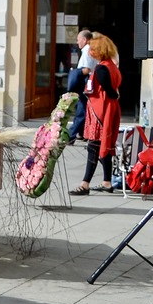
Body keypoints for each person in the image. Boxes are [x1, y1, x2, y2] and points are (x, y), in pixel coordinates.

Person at [71, 33, 122, 196]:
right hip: (108, 109)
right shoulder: (111, 66)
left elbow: (109, 90)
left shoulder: (101, 68)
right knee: (102, 145)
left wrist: (112, 96)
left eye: (93, 49)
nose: (90, 51)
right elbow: (114, 91)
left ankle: (85, 184)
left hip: (100, 111)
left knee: (93, 146)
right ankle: (107, 181)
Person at [66, 29, 94, 141]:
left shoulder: (87, 50)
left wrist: (75, 73)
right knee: (82, 107)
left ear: (84, 39)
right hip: (86, 82)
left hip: (85, 82)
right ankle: (82, 133)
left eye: (78, 40)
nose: (77, 42)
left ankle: (71, 136)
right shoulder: (87, 50)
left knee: (81, 109)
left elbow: (87, 69)